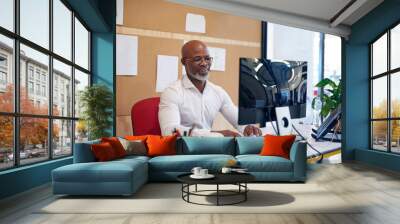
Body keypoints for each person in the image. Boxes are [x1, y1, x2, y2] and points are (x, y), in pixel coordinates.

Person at [158, 40, 262, 137]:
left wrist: (247, 127)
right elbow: (169, 131)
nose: (204, 63)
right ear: (184, 62)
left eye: (207, 58)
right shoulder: (172, 92)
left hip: (211, 149)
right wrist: (217, 134)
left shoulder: (218, 92)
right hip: (182, 151)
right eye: (197, 59)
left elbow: (238, 120)